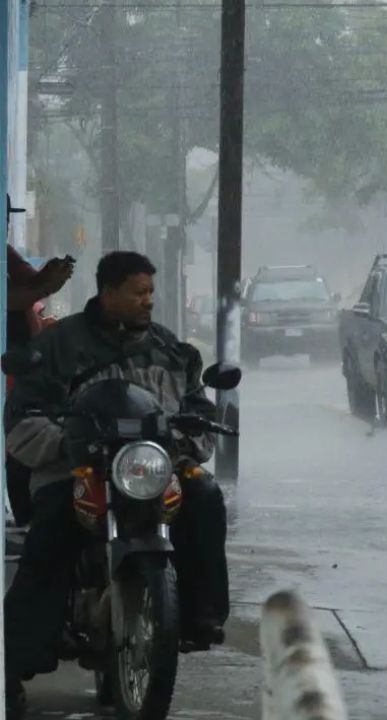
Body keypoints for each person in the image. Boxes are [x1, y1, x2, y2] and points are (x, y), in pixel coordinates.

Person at [4, 251, 229, 716]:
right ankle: (13, 662)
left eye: (151, 292)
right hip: (78, 472)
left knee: (204, 496)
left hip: (149, 470)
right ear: (108, 293)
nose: (148, 301)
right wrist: (66, 445)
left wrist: (192, 438)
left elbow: (199, 411)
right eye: (138, 292)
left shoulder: (172, 350)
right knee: (50, 535)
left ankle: (200, 616)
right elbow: (22, 420)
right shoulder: (58, 346)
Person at [6, 246, 74, 526]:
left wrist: (47, 277)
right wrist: (45, 285)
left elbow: (28, 282)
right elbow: (9, 298)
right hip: (15, 368)